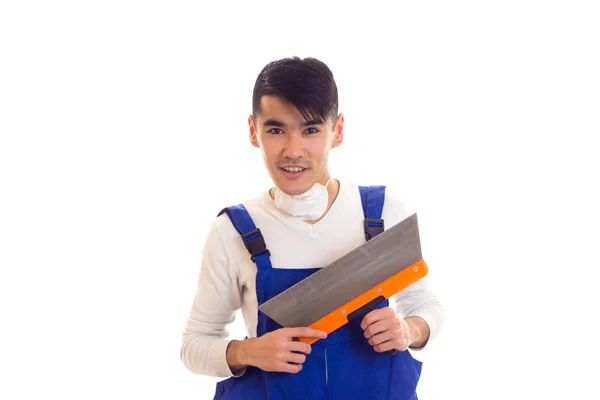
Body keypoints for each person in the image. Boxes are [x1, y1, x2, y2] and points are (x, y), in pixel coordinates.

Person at [180, 56, 444, 399]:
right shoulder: (233, 232)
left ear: (338, 130)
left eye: (311, 130)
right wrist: (246, 352)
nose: (293, 150)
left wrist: (410, 329)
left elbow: (427, 306)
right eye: (276, 130)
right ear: (252, 131)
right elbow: (194, 344)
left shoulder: (381, 216)